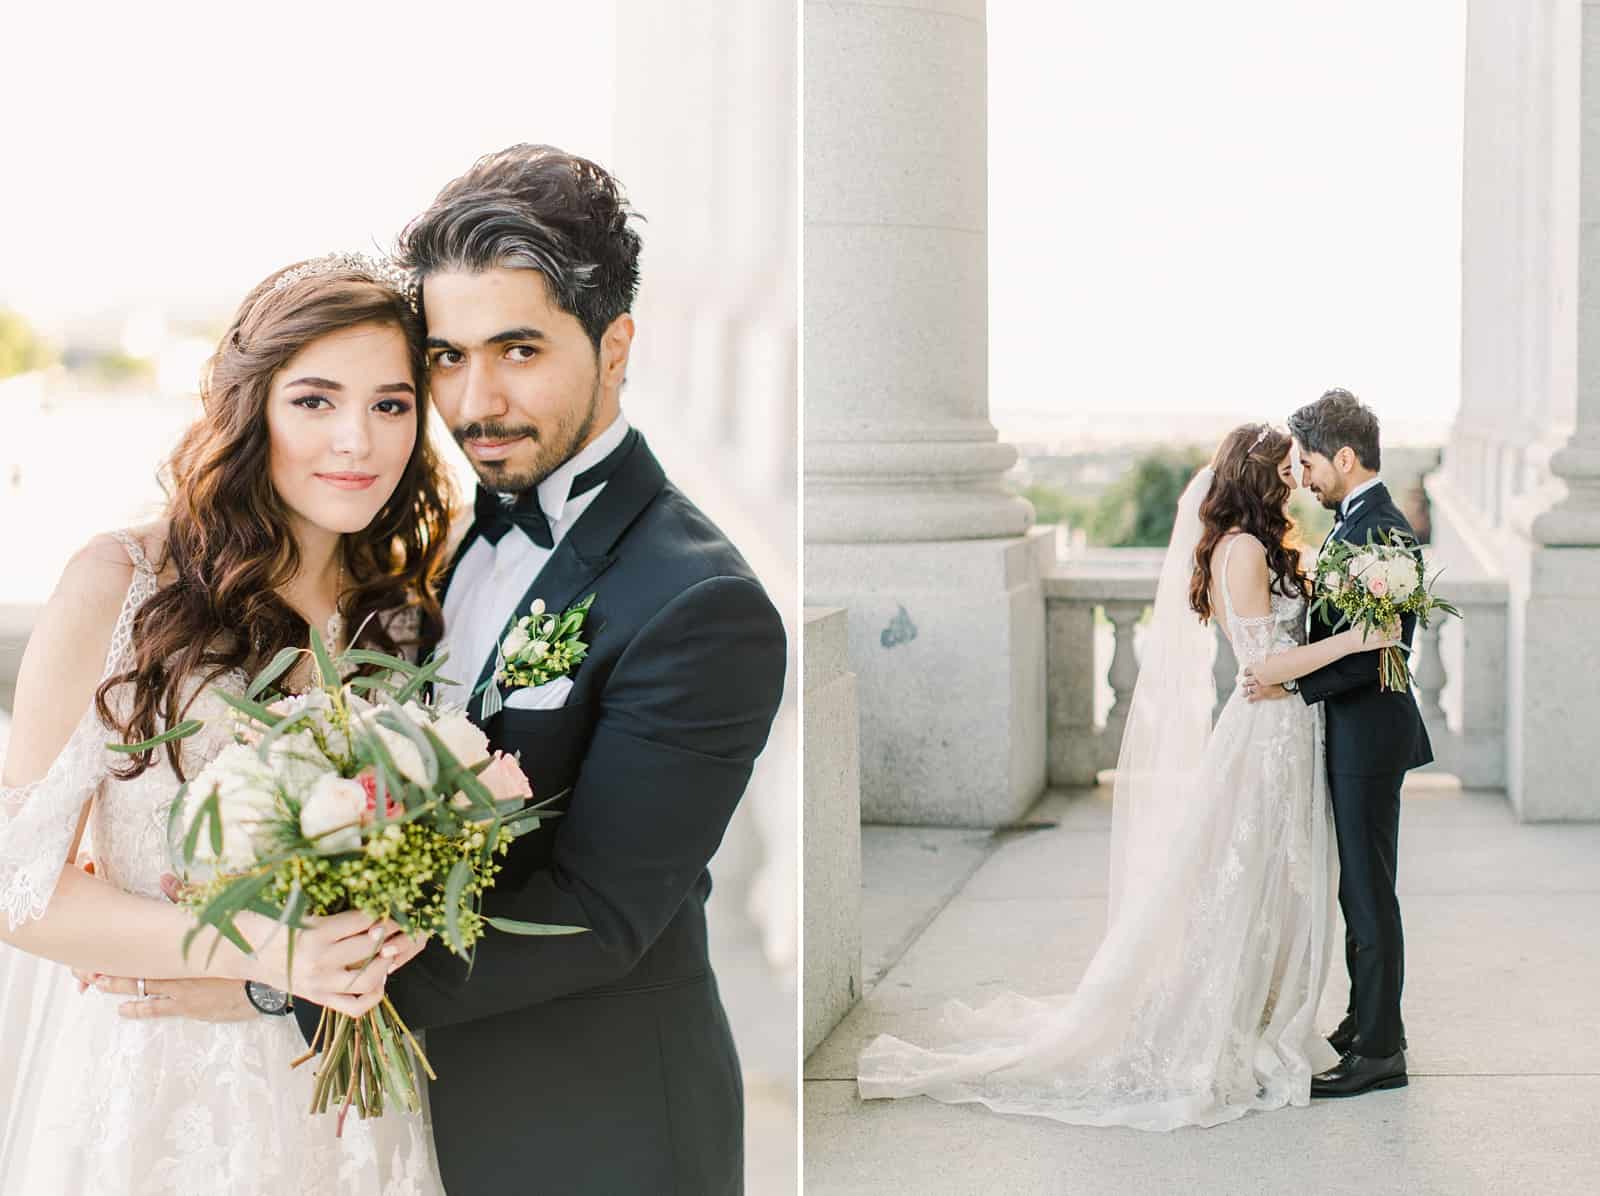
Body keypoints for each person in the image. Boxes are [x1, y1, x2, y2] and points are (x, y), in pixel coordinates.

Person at [288, 146, 788, 1193]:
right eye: (447, 355)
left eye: (518, 349)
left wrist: (284, 982)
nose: (475, 400)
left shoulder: (701, 605)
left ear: (614, 348)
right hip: (436, 1119)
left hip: (599, 1132)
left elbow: (595, 916)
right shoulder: (460, 534)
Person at [0, 256, 450, 1193]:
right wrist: (263, 952)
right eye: (316, 401)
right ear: (254, 407)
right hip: (161, 1091)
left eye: (392, 405)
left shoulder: (405, 606)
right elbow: (17, 882)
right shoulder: (119, 583)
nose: (357, 442)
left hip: (349, 1097)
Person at [857, 423, 1398, 1130]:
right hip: (1269, 732)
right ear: (1259, 478)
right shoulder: (1238, 550)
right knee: (1245, 876)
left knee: (1274, 877)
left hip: (1291, 730)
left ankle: (1261, 1007)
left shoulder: (1259, 547)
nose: (1297, 477)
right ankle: (1220, 1022)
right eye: (1286, 468)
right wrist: (1362, 636)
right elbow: (1264, 666)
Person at [1242, 387, 1431, 1099]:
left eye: (1311, 462)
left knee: (1368, 891)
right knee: (1361, 887)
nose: (1305, 476)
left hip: (1370, 738)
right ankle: (1370, 1018)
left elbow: (1379, 653)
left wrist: (1289, 683)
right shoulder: (1359, 523)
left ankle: (1381, 1052)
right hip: (1358, 733)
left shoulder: (1380, 531)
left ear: (1345, 458)